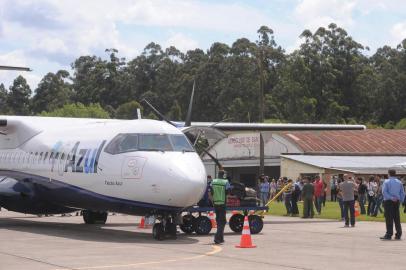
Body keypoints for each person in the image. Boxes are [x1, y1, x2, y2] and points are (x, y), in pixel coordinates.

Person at [380, 169, 405, 240]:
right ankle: (398, 234)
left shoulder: (386, 181)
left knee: (389, 218)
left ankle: (389, 234)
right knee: (397, 218)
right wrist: (400, 200)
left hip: (388, 201)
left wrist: (391, 198)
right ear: (395, 174)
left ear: (389, 174)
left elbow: (384, 192)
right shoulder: (399, 182)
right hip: (396, 201)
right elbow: (402, 193)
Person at [210, 170, 230, 244]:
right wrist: (226, 202)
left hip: (216, 204)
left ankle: (221, 238)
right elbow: (227, 193)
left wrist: (213, 202)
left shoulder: (213, 181)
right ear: (223, 175)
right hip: (222, 204)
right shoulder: (225, 182)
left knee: (219, 221)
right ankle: (217, 238)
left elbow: (210, 193)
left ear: (217, 174)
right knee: (222, 221)